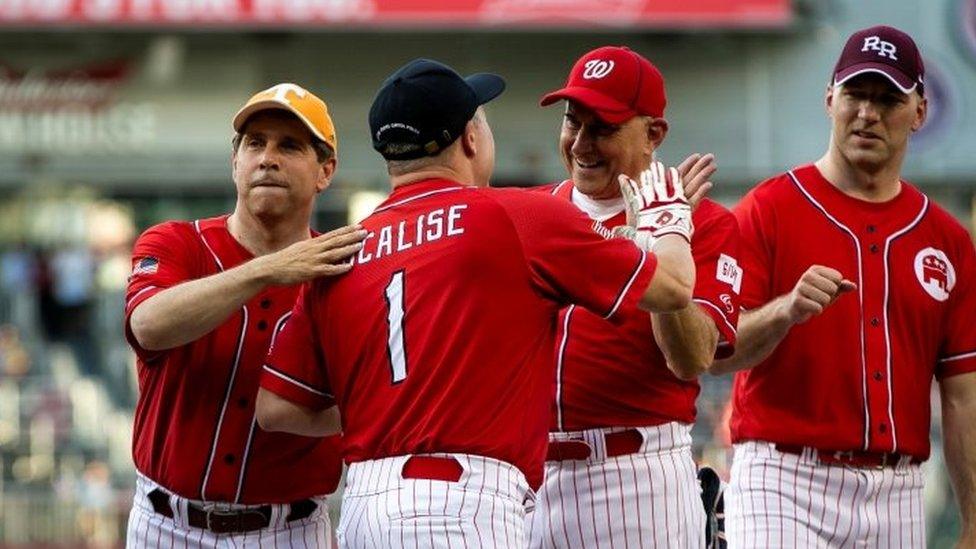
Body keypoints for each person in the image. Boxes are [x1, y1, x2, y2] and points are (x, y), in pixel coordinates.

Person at [254, 58, 697, 548]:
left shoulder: (345, 245)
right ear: (469, 138)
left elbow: (277, 408)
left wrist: (395, 407)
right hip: (461, 507)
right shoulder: (516, 216)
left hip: (364, 505)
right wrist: (670, 218)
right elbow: (674, 287)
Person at [710, 25, 976, 547]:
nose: (868, 113)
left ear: (919, 112)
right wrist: (784, 311)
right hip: (783, 478)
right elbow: (716, 353)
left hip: (897, 488)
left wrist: (973, 522)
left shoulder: (946, 239)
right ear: (830, 98)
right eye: (855, 93)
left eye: (888, 99)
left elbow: (963, 396)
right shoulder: (770, 210)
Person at [124, 83, 364, 548]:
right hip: (164, 524)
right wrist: (269, 270)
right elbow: (148, 326)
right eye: (255, 143)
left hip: (290, 530)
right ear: (235, 162)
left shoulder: (344, 271)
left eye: (289, 145)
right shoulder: (175, 242)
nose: (267, 158)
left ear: (325, 171)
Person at [525, 45, 741, 549]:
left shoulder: (705, 224)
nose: (581, 143)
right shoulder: (531, 212)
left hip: (634, 479)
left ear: (654, 134)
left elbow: (692, 358)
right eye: (571, 121)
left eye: (601, 127)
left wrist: (660, 245)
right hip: (525, 478)